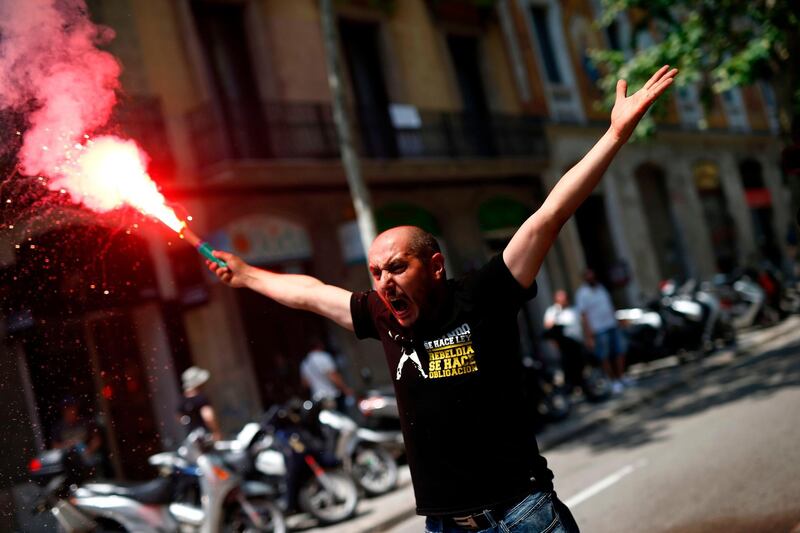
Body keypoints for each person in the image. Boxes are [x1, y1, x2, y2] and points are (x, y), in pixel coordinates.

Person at [207, 66, 677, 532]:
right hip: (446, 526)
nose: (384, 282)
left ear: (434, 266)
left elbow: (547, 217)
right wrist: (247, 274)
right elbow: (311, 293)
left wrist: (614, 135)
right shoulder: (382, 316)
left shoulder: (481, 295)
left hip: (521, 515)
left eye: (396, 268)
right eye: (375, 272)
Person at [575, 269, 629, 394]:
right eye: (589, 277)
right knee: (604, 356)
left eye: (592, 276)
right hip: (598, 329)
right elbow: (583, 316)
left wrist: (618, 320)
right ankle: (612, 381)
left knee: (619, 351)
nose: (591, 278)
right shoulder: (582, 294)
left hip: (611, 325)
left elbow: (609, 306)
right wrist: (588, 335)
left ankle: (621, 377)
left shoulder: (601, 288)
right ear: (585, 279)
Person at [543, 290, 586, 395]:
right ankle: (570, 387)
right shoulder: (553, 311)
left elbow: (584, 323)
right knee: (567, 366)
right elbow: (548, 327)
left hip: (576, 343)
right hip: (564, 346)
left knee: (579, 365)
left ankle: (581, 385)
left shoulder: (574, 310)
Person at [300, 339, 354, 412]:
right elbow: (333, 376)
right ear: (320, 345)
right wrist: (345, 389)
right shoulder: (323, 357)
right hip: (330, 395)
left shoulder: (305, 363)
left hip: (317, 398)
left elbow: (305, 383)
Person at [51, 396, 104, 469]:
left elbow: (97, 440)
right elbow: (55, 447)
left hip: (88, 458)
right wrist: (68, 444)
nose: (70, 411)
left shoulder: (85, 422)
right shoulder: (58, 427)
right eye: (67, 409)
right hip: (69, 461)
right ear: (63, 411)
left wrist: (88, 450)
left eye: (72, 408)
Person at [178, 366, 222, 441]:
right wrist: (216, 432)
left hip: (192, 438)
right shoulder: (200, 399)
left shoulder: (183, 400)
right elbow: (208, 416)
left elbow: (179, 417)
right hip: (206, 437)